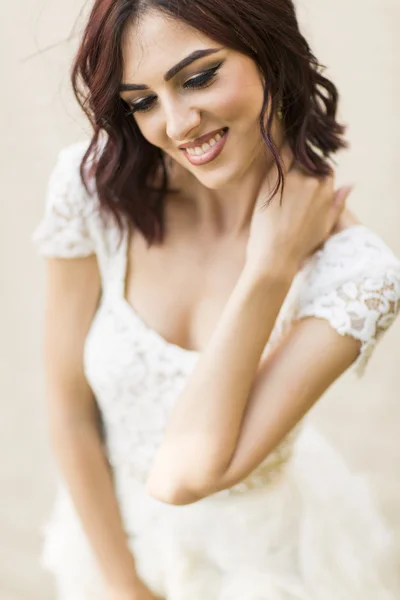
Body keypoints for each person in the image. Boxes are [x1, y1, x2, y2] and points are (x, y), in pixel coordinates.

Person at [32, 1, 400, 599]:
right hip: (110, 543)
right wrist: (125, 587)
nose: (176, 124)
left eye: (199, 76)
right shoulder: (93, 189)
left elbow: (186, 473)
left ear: (269, 52)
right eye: (142, 101)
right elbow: (68, 409)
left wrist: (270, 268)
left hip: (266, 574)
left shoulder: (359, 276)